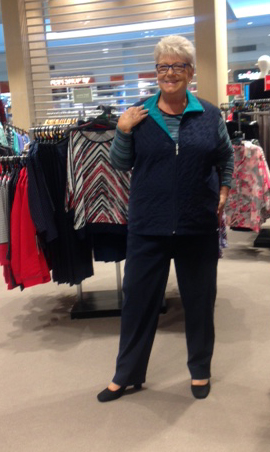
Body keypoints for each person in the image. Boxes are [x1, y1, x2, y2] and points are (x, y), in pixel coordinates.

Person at [97, 35, 234, 402]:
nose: (169, 73)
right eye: (163, 66)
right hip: (148, 225)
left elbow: (226, 157)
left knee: (200, 302)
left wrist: (223, 191)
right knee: (138, 302)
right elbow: (120, 164)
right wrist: (122, 130)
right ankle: (126, 374)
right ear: (156, 72)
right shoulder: (138, 113)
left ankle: (200, 370)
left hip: (197, 225)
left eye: (178, 66)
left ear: (190, 71)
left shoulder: (209, 114)